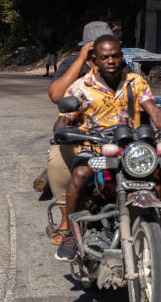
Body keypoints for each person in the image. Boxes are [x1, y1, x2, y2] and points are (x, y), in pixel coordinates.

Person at [53, 34, 161, 270]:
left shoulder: (135, 82)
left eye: (116, 55)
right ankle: (69, 232)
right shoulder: (81, 87)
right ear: (95, 60)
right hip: (94, 147)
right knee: (80, 175)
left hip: (133, 148)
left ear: (121, 57)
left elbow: (154, 110)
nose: (111, 60)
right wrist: (62, 130)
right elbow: (64, 119)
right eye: (105, 57)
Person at [45, 21, 115, 246]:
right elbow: (56, 95)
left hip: (113, 135)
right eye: (97, 49)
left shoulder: (120, 67)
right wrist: (81, 60)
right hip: (80, 135)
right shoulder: (72, 66)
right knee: (57, 157)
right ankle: (67, 222)